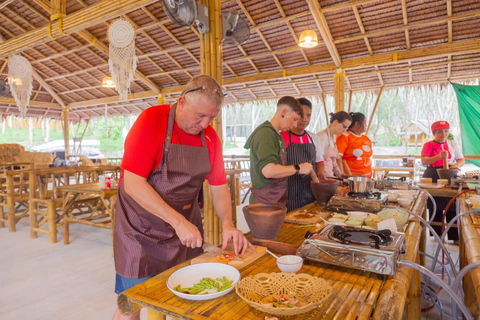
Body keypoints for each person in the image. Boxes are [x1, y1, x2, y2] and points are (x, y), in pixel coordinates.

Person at [112, 75, 252, 320]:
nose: (205, 124)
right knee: (133, 302)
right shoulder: (152, 121)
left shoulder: (210, 138)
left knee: (180, 297)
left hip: (186, 231)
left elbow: (218, 186)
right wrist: (177, 222)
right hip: (140, 228)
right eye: (200, 115)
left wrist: (228, 223)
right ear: (182, 102)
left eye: (212, 118)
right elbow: (132, 183)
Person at [244, 96, 313, 206]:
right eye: (295, 119)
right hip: (264, 203)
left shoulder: (278, 136)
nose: (295, 125)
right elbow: (268, 171)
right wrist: (298, 168)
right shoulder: (266, 133)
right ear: (284, 112)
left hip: (277, 200)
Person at [421, 120, 464, 242]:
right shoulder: (428, 145)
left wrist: (456, 165)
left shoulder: (453, 144)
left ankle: (454, 236)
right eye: (439, 132)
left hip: (449, 174)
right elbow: (424, 161)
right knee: (435, 205)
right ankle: (438, 236)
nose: (443, 134)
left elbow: (461, 159)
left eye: (446, 131)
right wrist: (439, 157)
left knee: (452, 205)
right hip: (433, 175)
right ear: (434, 133)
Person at [280, 98, 324, 211]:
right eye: (301, 115)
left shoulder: (314, 138)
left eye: (308, 116)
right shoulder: (281, 137)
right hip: (289, 192)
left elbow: (319, 161)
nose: (305, 119)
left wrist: (320, 174)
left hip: (310, 191)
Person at [336, 112, 373, 177]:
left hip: (367, 176)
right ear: (357, 124)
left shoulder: (366, 139)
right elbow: (338, 158)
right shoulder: (344, 137)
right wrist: (342, 176)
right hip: (351, 178)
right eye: (364, 123)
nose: (366, 125)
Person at [317, 111, 353, 178]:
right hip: (323, 178)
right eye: (344, 127)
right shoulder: (322, 136)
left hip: (330, 177)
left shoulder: (333, 137)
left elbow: (333, 162)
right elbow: (317, 161)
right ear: (335, 122)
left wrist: (341, 176)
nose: (345, 130)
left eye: (347, 128)